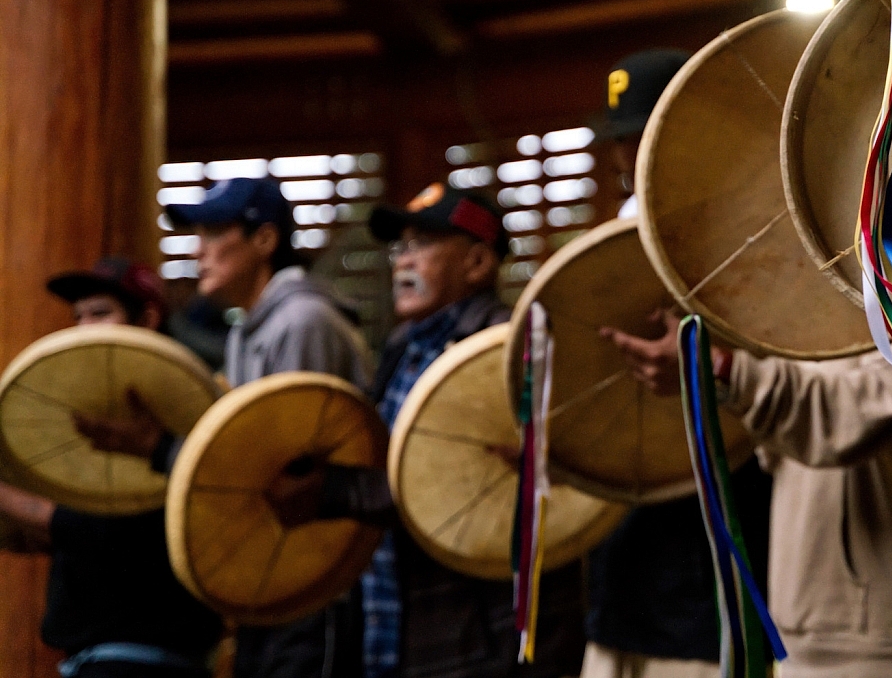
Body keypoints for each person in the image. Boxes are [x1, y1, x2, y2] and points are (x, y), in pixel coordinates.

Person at [265, 184, 588, 678]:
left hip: (483, 641)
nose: (401, 263)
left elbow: (458, 481)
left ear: (478, 263)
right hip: (403, 630)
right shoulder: (404, 349)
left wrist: (335, 490)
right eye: (399, 249)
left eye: (420, 247)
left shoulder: (506, 353)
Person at [78, 178, 375, 678]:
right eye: (197, 236)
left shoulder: (303, 322)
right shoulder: (247, 330)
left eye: (216, 234)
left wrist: (160, 448)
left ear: (264, 241)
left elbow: (281, 477)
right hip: (270, 583)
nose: (200, 252)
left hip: (313, 583)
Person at [600, 311, 892, 678]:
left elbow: (847, 415)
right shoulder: (806, 288)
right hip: (806, 628)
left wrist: (721, 369)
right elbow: (785, 434)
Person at [579, 49, 774, 678]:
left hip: (723, 564)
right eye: (621, 142)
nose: (626, 159)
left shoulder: (756, 237)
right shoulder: (608, 254)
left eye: (646, 135)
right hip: (626, 566)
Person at [0, 257, 224, 678]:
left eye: (100, 313)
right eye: (78, 316)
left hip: (141, 663)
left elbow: (91, 531)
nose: (85, 327)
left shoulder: (179, 424)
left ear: (148, 318)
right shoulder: (103, 430)